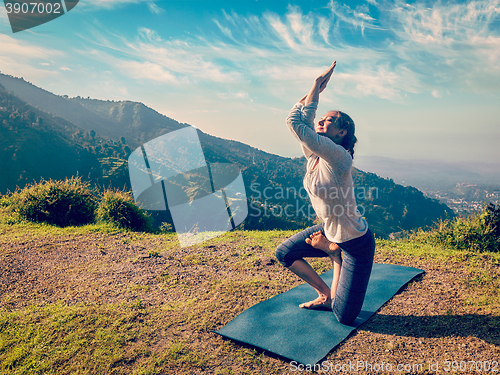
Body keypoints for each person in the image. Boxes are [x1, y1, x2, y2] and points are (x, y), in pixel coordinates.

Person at [275, 61, 376, 325]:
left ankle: (334, 254)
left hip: (355, 243)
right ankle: (325, 294)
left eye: (329, 120)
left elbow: (295, 123)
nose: (322, 120)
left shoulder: (339, 157)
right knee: (284, 253)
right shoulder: (315, 156)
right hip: (330, 228)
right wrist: (315, 92)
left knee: (344, 317)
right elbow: (303, 121)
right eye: (323, 117)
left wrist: (315, 85)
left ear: (341, 133)